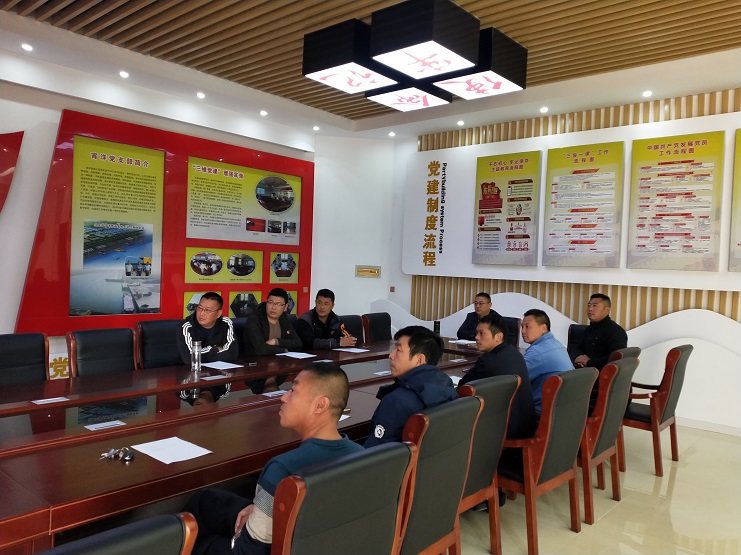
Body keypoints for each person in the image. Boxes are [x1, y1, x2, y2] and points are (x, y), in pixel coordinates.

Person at [183, 363, 363, 555]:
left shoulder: (283, 469)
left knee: (192, 542)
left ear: (320, 405)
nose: (283, 397)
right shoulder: (362, 454)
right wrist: (259, 510)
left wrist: (240, 536)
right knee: (206, 500)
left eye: (293, 391)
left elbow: (248, 551)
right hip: (320, 534)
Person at [364, 326, 457, 448]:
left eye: (398, 350)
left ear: (420, 359)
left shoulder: (396, 401)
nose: (391, 355)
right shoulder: (447, 386)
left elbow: (374, 453)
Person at [459, 314, 536, 439]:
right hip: (525, 425)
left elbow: (462, 389)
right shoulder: (514, 353)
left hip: (503, 431)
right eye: (476, 333)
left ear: (498, 337)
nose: (476, 337)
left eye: (481, 333)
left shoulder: (487, 361)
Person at [176, 291, 239, 405]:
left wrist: (203, 354)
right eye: (200, 308)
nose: (201, 313)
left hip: (218, 372)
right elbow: (190, 359)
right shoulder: (186, 326)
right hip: (188, 376)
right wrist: (216, 349)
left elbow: (233, 353)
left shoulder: (226, 323)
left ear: (218, 313)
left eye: (208, 310)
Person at [243, 288, 302, 393]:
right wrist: (284, 350)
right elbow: (261, 349)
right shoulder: (254, 320)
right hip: (256, 367)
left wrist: (277, 341)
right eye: (271, 302)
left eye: (278, 304)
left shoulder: (283, 318)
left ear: (285, 307)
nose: (273, 307)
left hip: (278, 365)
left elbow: (298, 343)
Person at [520, 308, 573, 414]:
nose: (523, 331)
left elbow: (515, 379)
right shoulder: (557, 344)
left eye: (527, 327)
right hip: (565, 408)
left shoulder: (537, 352)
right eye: (522, 327)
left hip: (543, 411)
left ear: (543, 328)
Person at [569, 293, 627, 370]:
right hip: (584, 370)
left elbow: (615, 359)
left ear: (607, 310)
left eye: (595, 306)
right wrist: (578, 357)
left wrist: (589, 362)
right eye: (589, 305)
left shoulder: (616, 331)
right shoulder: (589, 329)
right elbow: (577, 347)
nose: (590, 309)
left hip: (601, 373)